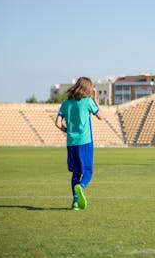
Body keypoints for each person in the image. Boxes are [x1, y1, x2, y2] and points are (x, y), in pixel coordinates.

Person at [55, 77, 103, 211]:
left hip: (71, 142)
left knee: (75, 173)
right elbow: (101, 116)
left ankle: (75, 202)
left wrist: (67, 130)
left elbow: (57, 123)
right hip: (85, 142)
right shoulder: (87, 102)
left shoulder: (65, 104)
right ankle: (81, 187)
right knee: (88, 172)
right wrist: (95, 99)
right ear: (88, 89)